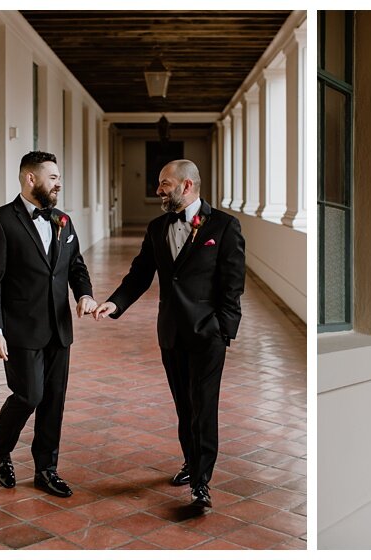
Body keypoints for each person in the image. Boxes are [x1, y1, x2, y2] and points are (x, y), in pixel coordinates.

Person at [92, 159, 245, 509]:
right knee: (184, 407)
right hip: (171, 333)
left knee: (203, 409)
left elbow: (233, 285)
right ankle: (191, 464)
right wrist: (114, 304)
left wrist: (223, 330)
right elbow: (140, 274)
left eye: (165, 183)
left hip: (208, 334)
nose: (158, 190)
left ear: (187, 185)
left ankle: (202, 484)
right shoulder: (157, 227)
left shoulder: (224, 226)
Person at [0, 151, 97, 498]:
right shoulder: (0, 221)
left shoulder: (62, 220)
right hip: (20, 329)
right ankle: (1, 450)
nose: (59, 183)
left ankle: (46, 469)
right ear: (30, 179)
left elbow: (75, 265)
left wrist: (84, 295)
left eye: (59, 177)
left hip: (59, 327)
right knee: (29, 395)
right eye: (53, 177)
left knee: (53, 401)